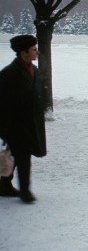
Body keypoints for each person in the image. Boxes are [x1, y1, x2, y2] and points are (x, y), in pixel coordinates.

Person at [0, 35, 47, 203]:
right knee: (23, 157)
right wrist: (4, 129)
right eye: (34, 50)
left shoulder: (33, 70)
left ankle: (4, 185)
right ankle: (25, 191)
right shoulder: (8, 74)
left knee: (16, 155)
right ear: (23, 53)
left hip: (31, 122)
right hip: (15, 125)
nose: (37, 52)